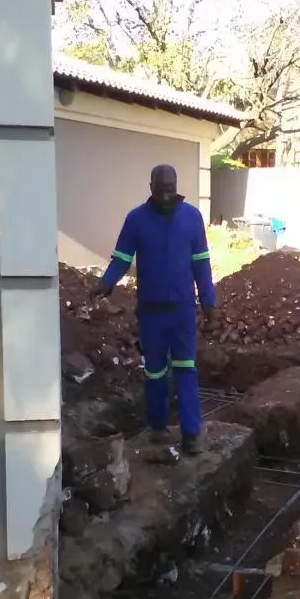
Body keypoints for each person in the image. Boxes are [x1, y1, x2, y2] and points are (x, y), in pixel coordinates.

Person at [90, 165, 216, 455]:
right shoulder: (136, 220)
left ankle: (192, 435)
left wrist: (208, 301)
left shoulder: (192, 218)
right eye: (161, 189)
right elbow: (121, 258)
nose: (166, 194)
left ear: (177, 185)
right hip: (151, 312)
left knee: (186, 369)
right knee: (155, 372)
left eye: (171, 188)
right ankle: (158, 428)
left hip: (183, 310)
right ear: (151, 187)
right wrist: (105, 283)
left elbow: (201, 262)